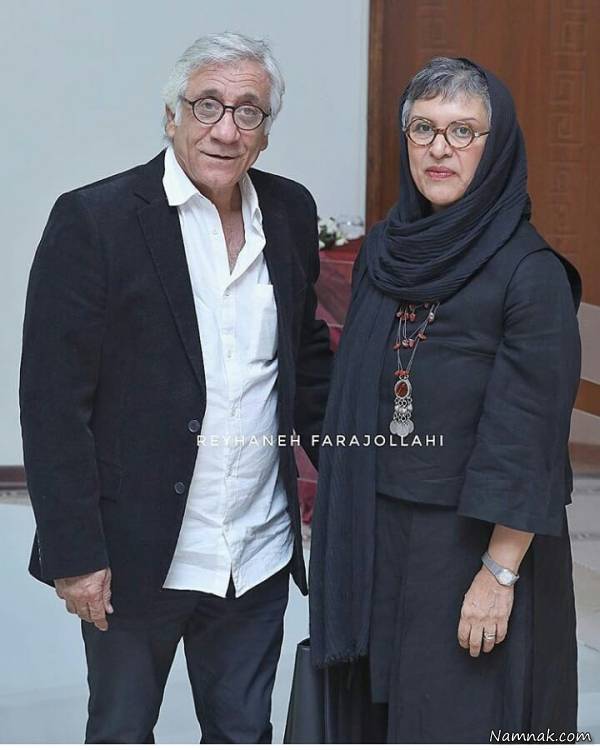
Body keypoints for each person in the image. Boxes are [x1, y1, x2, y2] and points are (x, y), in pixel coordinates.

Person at [20, 32, 331, 743]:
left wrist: (357, 473)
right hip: (136, 556)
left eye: (248, 111)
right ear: (171, 116)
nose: (226, 129)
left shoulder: (289, 212)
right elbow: (52, 404)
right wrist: (76, 554)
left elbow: (306, 360)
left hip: (255, 552)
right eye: (207, 105)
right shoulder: (95, 220)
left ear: (265, 131)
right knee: (123, 730)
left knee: (243, 732)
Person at [309, 57, 581, 743]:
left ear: (498, 145)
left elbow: (528, 441)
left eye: (463, 131)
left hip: (471, 549)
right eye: (424, 128)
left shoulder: (530, 273)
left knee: (454, 721)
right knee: (376, 721)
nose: (439, 148)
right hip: (379, 536)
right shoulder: (386, 251)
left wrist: (498, 575)